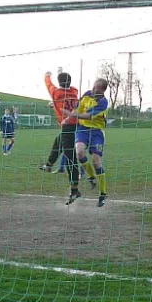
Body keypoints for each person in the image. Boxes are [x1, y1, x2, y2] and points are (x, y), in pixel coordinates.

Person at [62, 78, 109, 207]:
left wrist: (71, 115)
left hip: (96, 132)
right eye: (94, 86)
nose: (94, 89)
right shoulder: (87, 94)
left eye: (97, 88)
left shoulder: (103, 103)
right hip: (82, 129)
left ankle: (103, 193)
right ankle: (90, 177)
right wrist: (68, 118)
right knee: (79, 152)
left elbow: (87, 116)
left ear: (102, 90)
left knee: (96, 161)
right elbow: (78, 110)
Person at [40, 70, 80, 204]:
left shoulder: (56, 93)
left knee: (71, 158)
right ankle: (49, 165)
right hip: (77, 126)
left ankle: (75, 190)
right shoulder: (74, 91)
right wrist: (55, 104)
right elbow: (68, 100)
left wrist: (47, 75)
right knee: (58, 141)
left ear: (59, 82)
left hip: (68, 127)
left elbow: (48, 84)